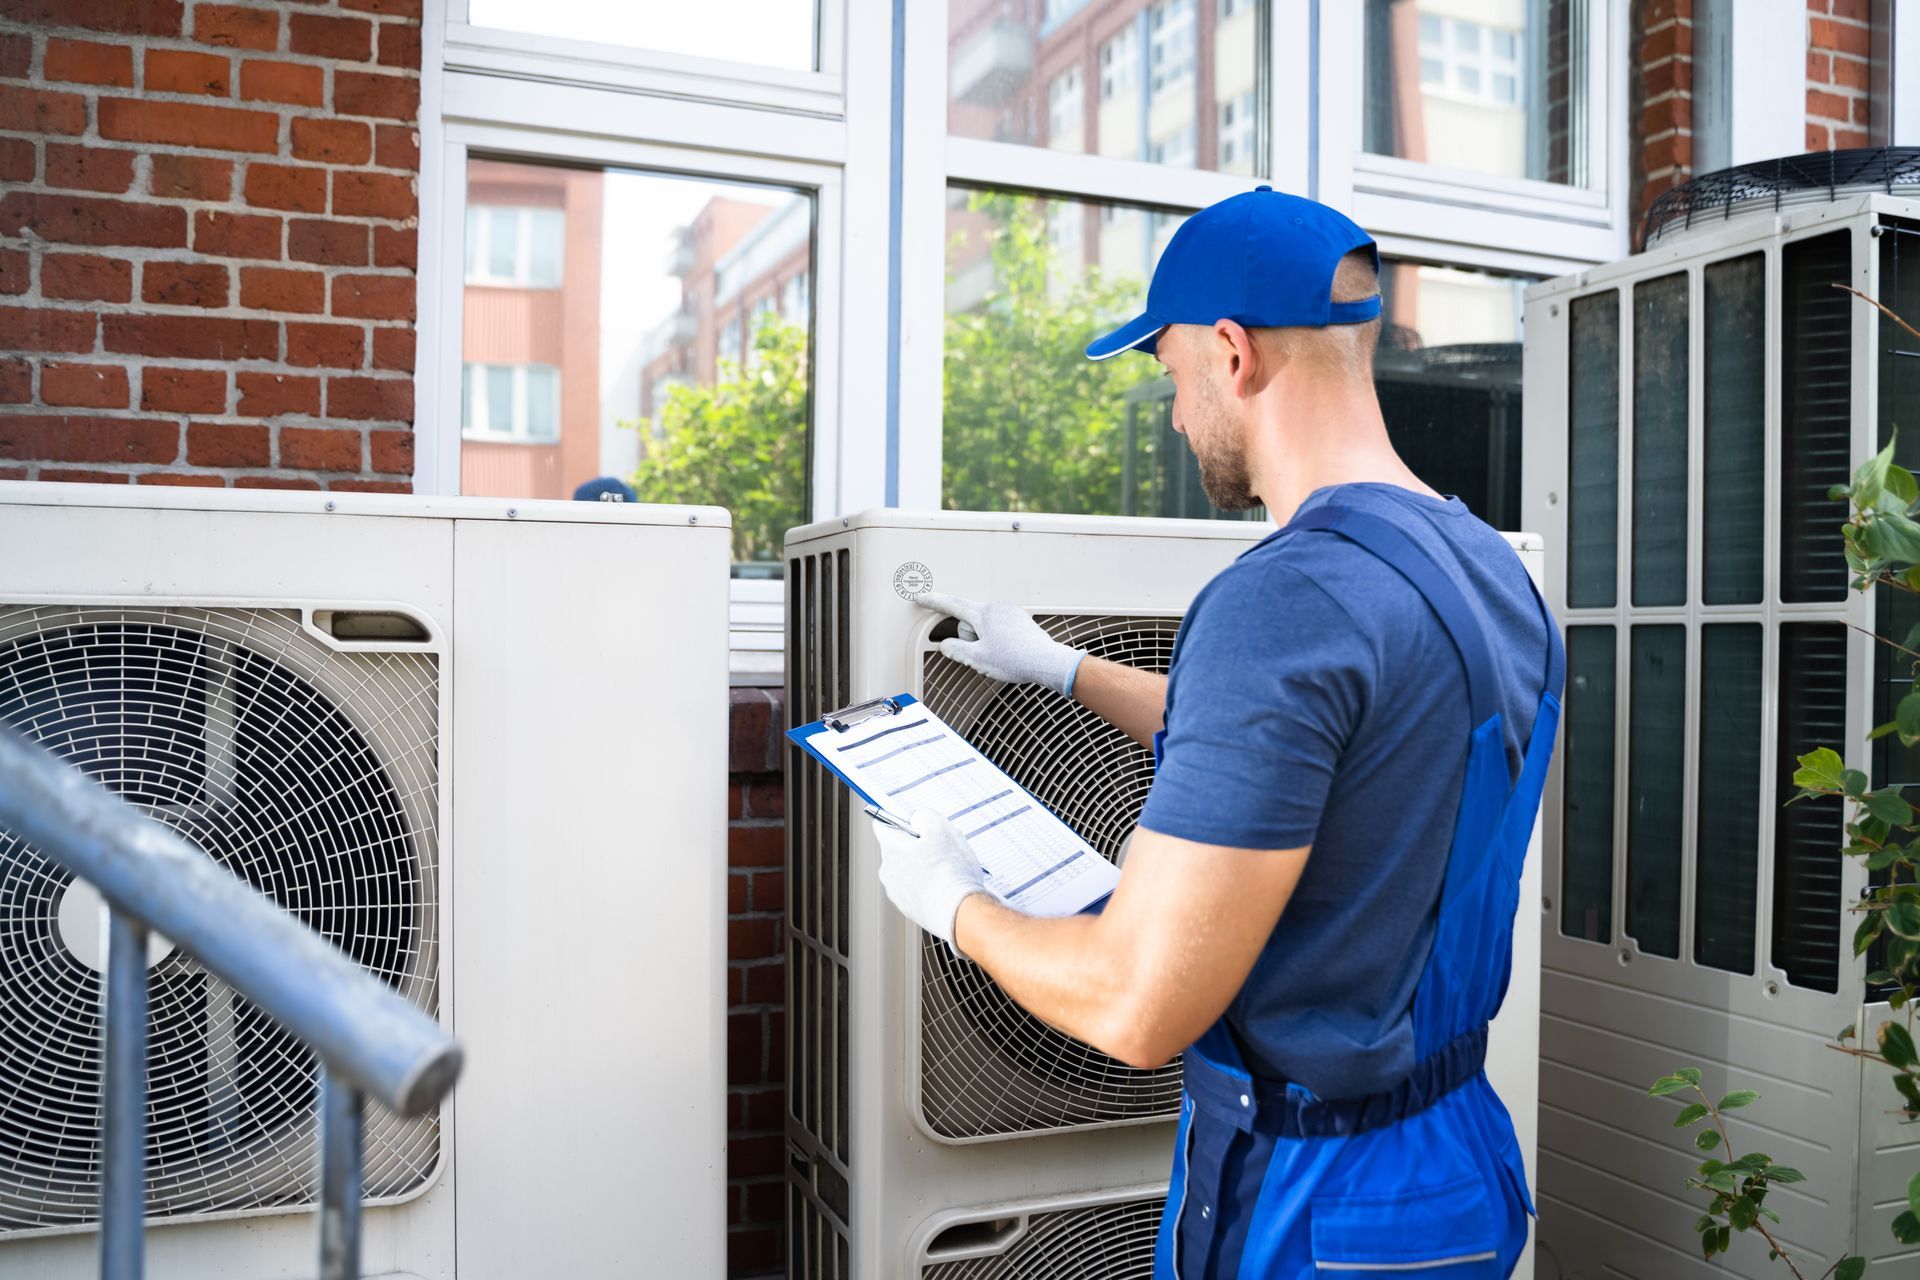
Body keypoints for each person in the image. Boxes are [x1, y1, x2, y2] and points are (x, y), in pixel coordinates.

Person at [870, 187, 1561, 1278]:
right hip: (1454, 1166)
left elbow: (1137, 1004)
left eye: (1175, 376)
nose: (1181, 415)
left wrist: (955, 903)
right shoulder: (1487, 568)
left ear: (1232, 353)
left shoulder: (1281, 601)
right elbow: (1331, 744)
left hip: (1311, 1202)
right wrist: (1062, 666)